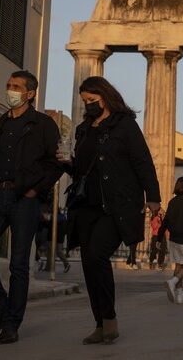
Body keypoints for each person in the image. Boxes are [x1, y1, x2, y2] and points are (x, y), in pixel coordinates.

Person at [58, 76, 161, 344]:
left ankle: (110, 319)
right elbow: (83, 169)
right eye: (85, 102)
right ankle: (100, 323)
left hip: (117, 205)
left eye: (92, 100)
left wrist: (153, 197)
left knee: (97, 254)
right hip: (87, 205)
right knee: (89, 264)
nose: (89, 105)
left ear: (105, 95)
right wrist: (69, 162)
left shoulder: (125, 124)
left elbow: (143, 162)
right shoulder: (83, 129)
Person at [0, 70, 62, 344]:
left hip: (24, 200)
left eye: (16, 86)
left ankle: (11, 324)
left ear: (30, 94)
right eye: (9, 85)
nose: (10, 90)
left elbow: (57, 164)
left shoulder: (43, 125)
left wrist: (36, 190)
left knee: (19, 264)